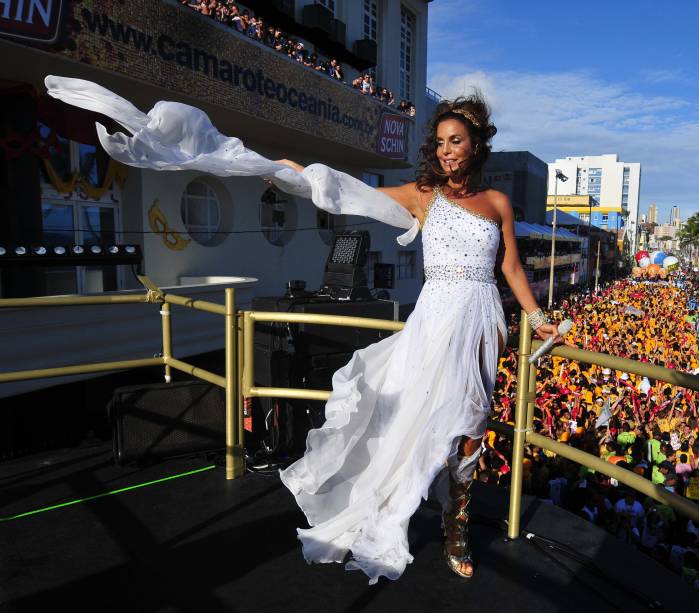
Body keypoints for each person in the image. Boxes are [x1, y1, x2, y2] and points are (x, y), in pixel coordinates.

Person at [44, 77, 568, 583]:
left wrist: (541, 320)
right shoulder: (424, 195)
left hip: (481, 321)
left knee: (472, 426)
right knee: (422, 417)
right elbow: (353, 192)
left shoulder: (497, 204)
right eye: (441, 142)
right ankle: (418, 516)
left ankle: (457, 523)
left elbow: (512, 271)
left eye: (457, 141)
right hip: (436, 318)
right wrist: (296, 175)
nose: (448, 150)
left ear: (477, 143)